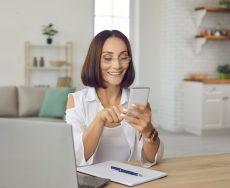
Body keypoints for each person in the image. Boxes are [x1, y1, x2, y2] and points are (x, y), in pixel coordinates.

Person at [65, 30, 164, 167]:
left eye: (123, 57)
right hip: (92, 183)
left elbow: (152, 160)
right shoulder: (77, 101)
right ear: (95, 61)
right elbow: (75, 157)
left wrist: (148, 130)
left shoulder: (137, 102)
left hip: (129, 180)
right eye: (107, 58)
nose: (117, 65)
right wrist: (99, 120)